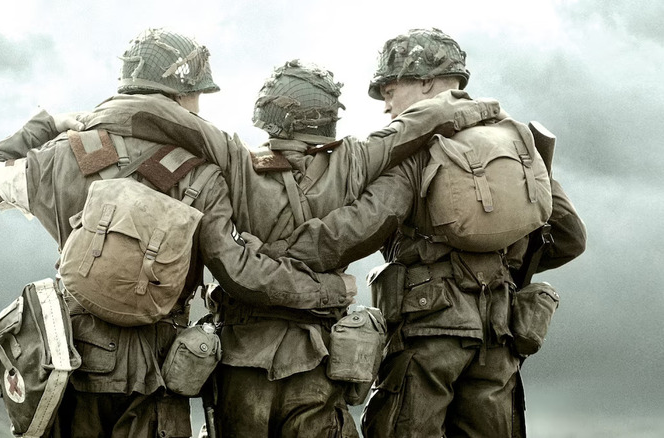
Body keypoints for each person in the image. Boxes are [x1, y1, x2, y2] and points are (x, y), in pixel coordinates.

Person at [78, 56, 503, 436]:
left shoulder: (234, 161)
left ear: (268, 112)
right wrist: (472, 108)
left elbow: (159, 114)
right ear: (327, 117)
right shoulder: (355, 160)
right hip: (318, 361)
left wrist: (76, 120)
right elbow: (414, 126)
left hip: (240, 360)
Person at [0, 29, 355, 438]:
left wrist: (46, 123)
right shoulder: (203, 173)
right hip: (158, 369)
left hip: (69, 359)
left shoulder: (62, 156)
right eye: (198, 94)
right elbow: (239, 274)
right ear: (183, 94)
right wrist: (330, 290)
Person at [259, 28, 587, 437]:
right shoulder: (517, 141)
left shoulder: (420, 147)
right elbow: (571, 236)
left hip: (427, 334)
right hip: (499, 335)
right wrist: (501, 258)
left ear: (426, 81)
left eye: (390, 90)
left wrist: (273, 252)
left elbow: (360, 228)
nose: (386, 106)